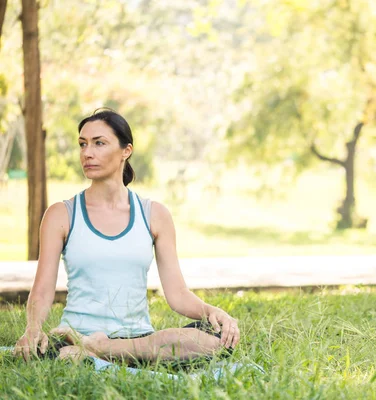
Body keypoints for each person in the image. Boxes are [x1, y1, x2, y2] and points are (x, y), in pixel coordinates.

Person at [14, 109, 240, 366]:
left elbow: (177, 293)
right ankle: (96, 350)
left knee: (216, 339)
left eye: (99, 143)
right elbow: (42, 290)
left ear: (126, 151)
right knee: (57, 352)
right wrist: (33, 328)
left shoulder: (154, 214)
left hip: (139, 339)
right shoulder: (61, 214)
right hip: (74, 336)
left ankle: (100, 350)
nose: (87, 153)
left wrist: (212, 311)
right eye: (83, 144)